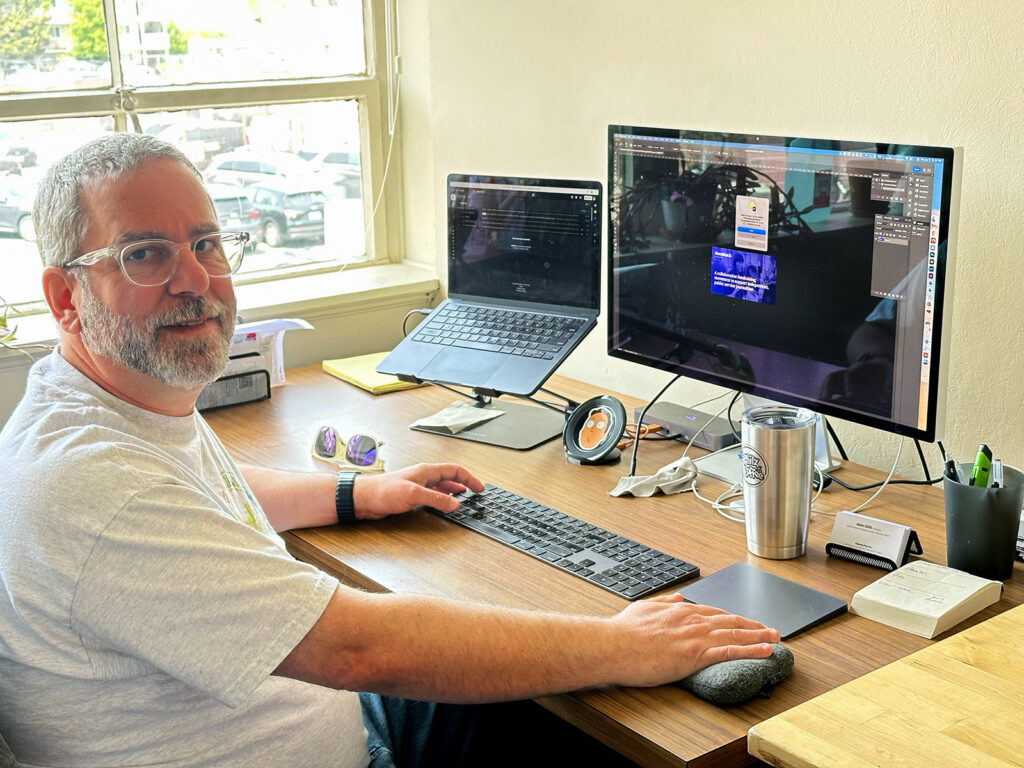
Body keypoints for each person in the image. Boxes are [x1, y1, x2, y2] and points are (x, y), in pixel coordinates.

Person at [0, 134, 780, 767]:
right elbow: (358, 647)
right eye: (144, 254)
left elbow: (208, 483)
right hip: (336, 738)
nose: (196, 278)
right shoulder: (96, 486)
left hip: (309, 723)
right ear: (66, 297)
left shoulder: (96, 406)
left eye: (206, 242)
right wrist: (620, 641)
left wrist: (357, 494)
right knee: (616, 728)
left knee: (559, 697)